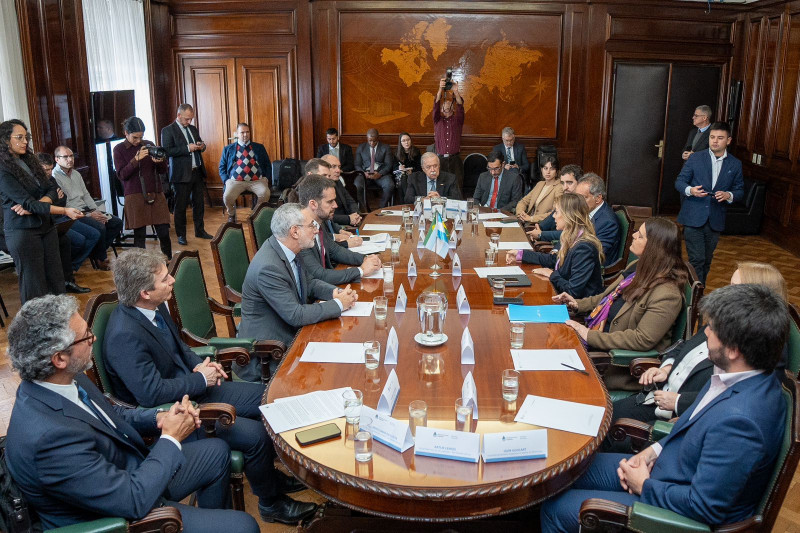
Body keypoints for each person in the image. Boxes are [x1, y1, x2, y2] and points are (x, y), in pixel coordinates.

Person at [541, 283, 789, 532]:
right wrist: (650, 453)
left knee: (555, 510)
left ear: (734, 350)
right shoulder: (736, 374)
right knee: (563, 473)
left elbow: (704, 506)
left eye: (712, 329)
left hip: (672, 508)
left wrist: (644, 485)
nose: (706, 334)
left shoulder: (743, 421)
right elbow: (689, 427)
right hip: (665, 468)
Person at [4, 294, 259, 533]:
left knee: (216, 452)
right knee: (245, 527)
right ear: (59, 358)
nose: (93, 339)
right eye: (86, 336)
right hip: (120, 515)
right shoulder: (48, 438)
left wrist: (158, 417)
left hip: (130, 471)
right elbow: (133, 499)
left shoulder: (63, 380)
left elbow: (110, 415)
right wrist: (171, 438)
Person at [103, 248, 316, 524]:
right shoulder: (123, 335)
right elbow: (150, 394)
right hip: (177, 411)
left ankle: (268, 477)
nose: (172, 282)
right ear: (144, 292)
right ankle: (271, 504)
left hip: (194, 388)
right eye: (165, 279)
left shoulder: (154, 306)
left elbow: (180, 346)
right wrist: (201, 378)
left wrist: (200, 364)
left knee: (270, 397)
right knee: (255, 435)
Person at [613, 260, 789, 430]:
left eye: (735, 287)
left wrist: (679, 402)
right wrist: (666, 368)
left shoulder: (762, 346)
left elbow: (734, 393)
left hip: (680, 417)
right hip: (657, 393)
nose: (725, 291)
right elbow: (684, 344)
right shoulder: (725, 319)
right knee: (606, 415)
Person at [236, 203, 358, 380]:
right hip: (268, 355)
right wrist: (339, 305)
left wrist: (336, 293)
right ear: (295, 232)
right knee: (336, 372)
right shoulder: (268, 267)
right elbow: (296, 315)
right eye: (311, 226)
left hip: (293, 337)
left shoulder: (289, 249)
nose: (316, 231)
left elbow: (310, 282)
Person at [556, 218, 687, 353]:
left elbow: (642, 339)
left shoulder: (667, 294)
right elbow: (605, 297)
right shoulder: (636, 267)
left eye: (640, 236)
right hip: (596, 335)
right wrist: (577, 304)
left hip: (613, 357)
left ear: (654, 247)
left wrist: (589, 335)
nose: (633, 235)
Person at [0, 119, 83, 304]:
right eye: (19, 138)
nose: (24, 142)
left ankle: (59, 324)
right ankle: (35, 330)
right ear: (6, 140)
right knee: (34, 286)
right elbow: (29, 205)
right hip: (23, 232)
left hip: (45, 226)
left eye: (26, 137)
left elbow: (52, 189)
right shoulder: (2, 169)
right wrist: (64, 210)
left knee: (56, 280)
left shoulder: (30, 161)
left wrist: (37, 204)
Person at [675, 121, 743, 285]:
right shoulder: (696, 158)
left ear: (728, 140)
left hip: (715, 219)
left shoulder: (735, 164)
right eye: (712, 137)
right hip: (693, 217)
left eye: (720, 138)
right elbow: (679, 182)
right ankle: (695, 298)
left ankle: (698, 293)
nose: (715, 141)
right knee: (697, 259)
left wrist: (729, 195)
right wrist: (691, 190)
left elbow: (740, 191)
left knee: (706, 260)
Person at [506, 193, 603, 299]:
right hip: (559, 294)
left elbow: (572, 292)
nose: (553, 216)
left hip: (576, 308)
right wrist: (521, 254)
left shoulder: (584, 248)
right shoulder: (570, 236)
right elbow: (553, 260)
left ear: (568, 215)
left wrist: (552, 274)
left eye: (556, 212)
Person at [297, 175, 381, 285]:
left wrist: (365, 259)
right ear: (313, 204)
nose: (335, 205)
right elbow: (320, 275)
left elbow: (335, 250)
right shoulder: (300, 231)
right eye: (330, 201)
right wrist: (361, 271)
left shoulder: (317, 222)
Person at [53, 145, 123, 270]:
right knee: (100, 227)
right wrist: (90, 215)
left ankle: (95, 253)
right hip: (72, 213)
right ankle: (100, 259)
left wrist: (96, 211)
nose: (70, 159)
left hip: (86, 209)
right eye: (65, 157)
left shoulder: (75, 174)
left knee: (116, 222)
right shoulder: (55, 177)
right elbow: (65, 204)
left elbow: (86, 195)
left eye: (71, 156)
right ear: (57, 159)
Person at [113, 116, 172, 258]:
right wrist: (136, 160)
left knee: (164, 231)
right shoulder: (119, 149)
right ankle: (142, 269)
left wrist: (160, 161)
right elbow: (122, 175)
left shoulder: (149, 144)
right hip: (134, 195)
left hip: (156, 193)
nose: (138, 141)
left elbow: (162, 170)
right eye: (135, 137)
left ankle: (169, 262)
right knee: (139, 236)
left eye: (141, 137)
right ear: (126, 133)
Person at [37, 152, 93, 294]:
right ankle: (53, 285)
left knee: (65, 240)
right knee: (72, 240)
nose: (49, 173)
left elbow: (62, 200)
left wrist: (52, 200)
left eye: (50, 169)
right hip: (39, 224)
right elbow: (37, 207)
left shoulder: (51, 180)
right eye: (45, 170)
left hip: (54, 220)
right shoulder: (32, 182)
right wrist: (52, 199)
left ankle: (68, 281)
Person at [161, 103, 211, 245]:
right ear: (179, 116)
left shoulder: (193, 129)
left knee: (199, 204)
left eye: (191, 119)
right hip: (181, 175)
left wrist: (202, 146)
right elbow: (167, 151)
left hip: (197, 172)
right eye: (187, 119)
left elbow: (200, 144)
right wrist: (187, 148)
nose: (189, 122)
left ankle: (200, 231)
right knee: (181, 207)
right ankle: (181, 235)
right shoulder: (168, 130)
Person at [218, 122, 271, 223]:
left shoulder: (259, 147)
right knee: (227, 196)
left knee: (265, 193)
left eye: (247, 132)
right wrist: (226, 180)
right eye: (242, 132)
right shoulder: (228, 149)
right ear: (237, 134)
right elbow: (222, 167)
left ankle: (256, 215)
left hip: (256, 181)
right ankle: (232, 215)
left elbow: (267, 164)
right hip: (235, 181)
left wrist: (266, 178)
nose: (245, 135)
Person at [574, 173, 621, 267]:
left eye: (583, 198)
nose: (578, 202)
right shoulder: (586, 211)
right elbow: (570, 235)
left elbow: (594, 255)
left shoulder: (608, 222)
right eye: (577, 197)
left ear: (598, 198)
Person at [527, 164, 583, 241]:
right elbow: (550, 219)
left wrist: (541, 234)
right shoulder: (565, 201)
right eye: (563, 183)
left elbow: (572, 233)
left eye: (569, 182)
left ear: (580, 183)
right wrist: (538, 228)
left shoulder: (582, 203)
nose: (565, 187)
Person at [433, 77, 465, 187]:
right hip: (440, 160)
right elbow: (436, 105)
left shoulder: (457, 120)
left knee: (457, 186)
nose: (446, 105)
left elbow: (460, 107)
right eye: (444, 105)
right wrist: (440, 89)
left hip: (455, 160)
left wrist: (456, 91)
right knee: (441, 187)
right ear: (441, 109)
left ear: (453, 108)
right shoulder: (437, 120)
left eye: (449, 104)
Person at [354, 128, 395, 208]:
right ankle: (365, 209)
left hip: (381, 174)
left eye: (374, 141)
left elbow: (388, 164)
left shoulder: (385, 148)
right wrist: (363, 173)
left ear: (378, 138)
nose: (372, 143)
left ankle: (381, 208)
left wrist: (380, 174)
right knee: (357, 185)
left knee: (389, 185)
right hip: (365, 174)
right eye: (370, 141)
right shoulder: (361, 147)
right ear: (367, 138)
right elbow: (357, 164)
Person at [516, 155, 561, 224]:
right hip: (526, 222)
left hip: (541, 225)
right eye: (545, 168)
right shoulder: (540, 184)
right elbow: (523, 201)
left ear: (557, 171)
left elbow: (554, 213)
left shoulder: (559, 187)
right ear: (541, 169)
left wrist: (531, 218)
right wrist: (520, 214)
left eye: (551, 169)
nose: (548, 172)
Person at [321, 153, 362, 227]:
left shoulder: (337, 181)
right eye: (334, 167)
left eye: (339, 167)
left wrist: (356, 215)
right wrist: (348, 219)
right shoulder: (318, 187)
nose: (338, 170)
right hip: (335, 227)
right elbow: (325, 216)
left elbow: (351, 202)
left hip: (349, 222)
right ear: (324, 168)